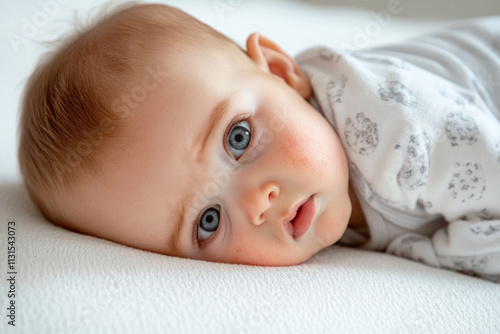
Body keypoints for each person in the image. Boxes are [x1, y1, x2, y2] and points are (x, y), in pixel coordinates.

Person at [18, 3, 500, 282]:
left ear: (281, 71)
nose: (256, 203)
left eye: (239, 137)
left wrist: (433, 254)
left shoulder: (398, 132)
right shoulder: (316, 181)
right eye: (208, 222)